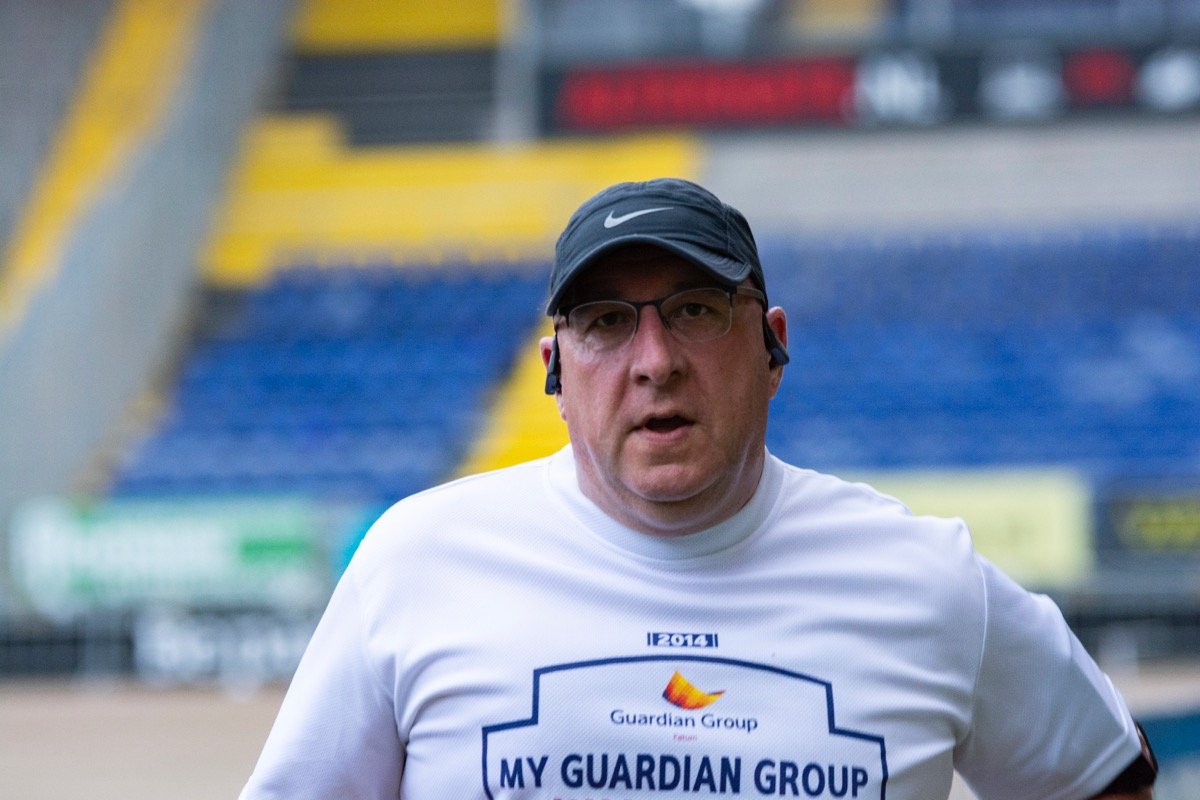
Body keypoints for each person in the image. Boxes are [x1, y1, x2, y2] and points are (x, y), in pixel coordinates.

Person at [240, 178, 1157, 799]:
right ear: (555, 370)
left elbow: (1101, 777)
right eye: (606, 322)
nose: (655, 361)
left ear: (772, 346)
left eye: (695, 309)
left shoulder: (928, 581)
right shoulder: (417, 562)